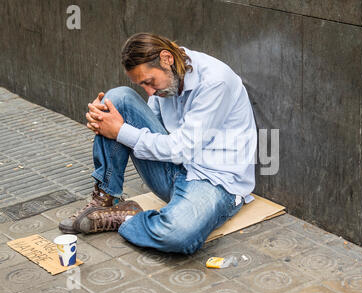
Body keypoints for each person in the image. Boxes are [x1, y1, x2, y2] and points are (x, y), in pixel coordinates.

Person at [58, 33, 257, 255]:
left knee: (177, 236)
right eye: (142, 85)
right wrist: (103, 118)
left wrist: (120, 131)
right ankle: (106, 199)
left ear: (166, 59)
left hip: (215, 182)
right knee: (116, 100)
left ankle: (128, 219)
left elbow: (182, 148)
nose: (150, 92)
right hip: (173, 171)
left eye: (149, 82)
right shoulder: (167, 79)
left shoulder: (215, 82)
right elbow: (147, 123)